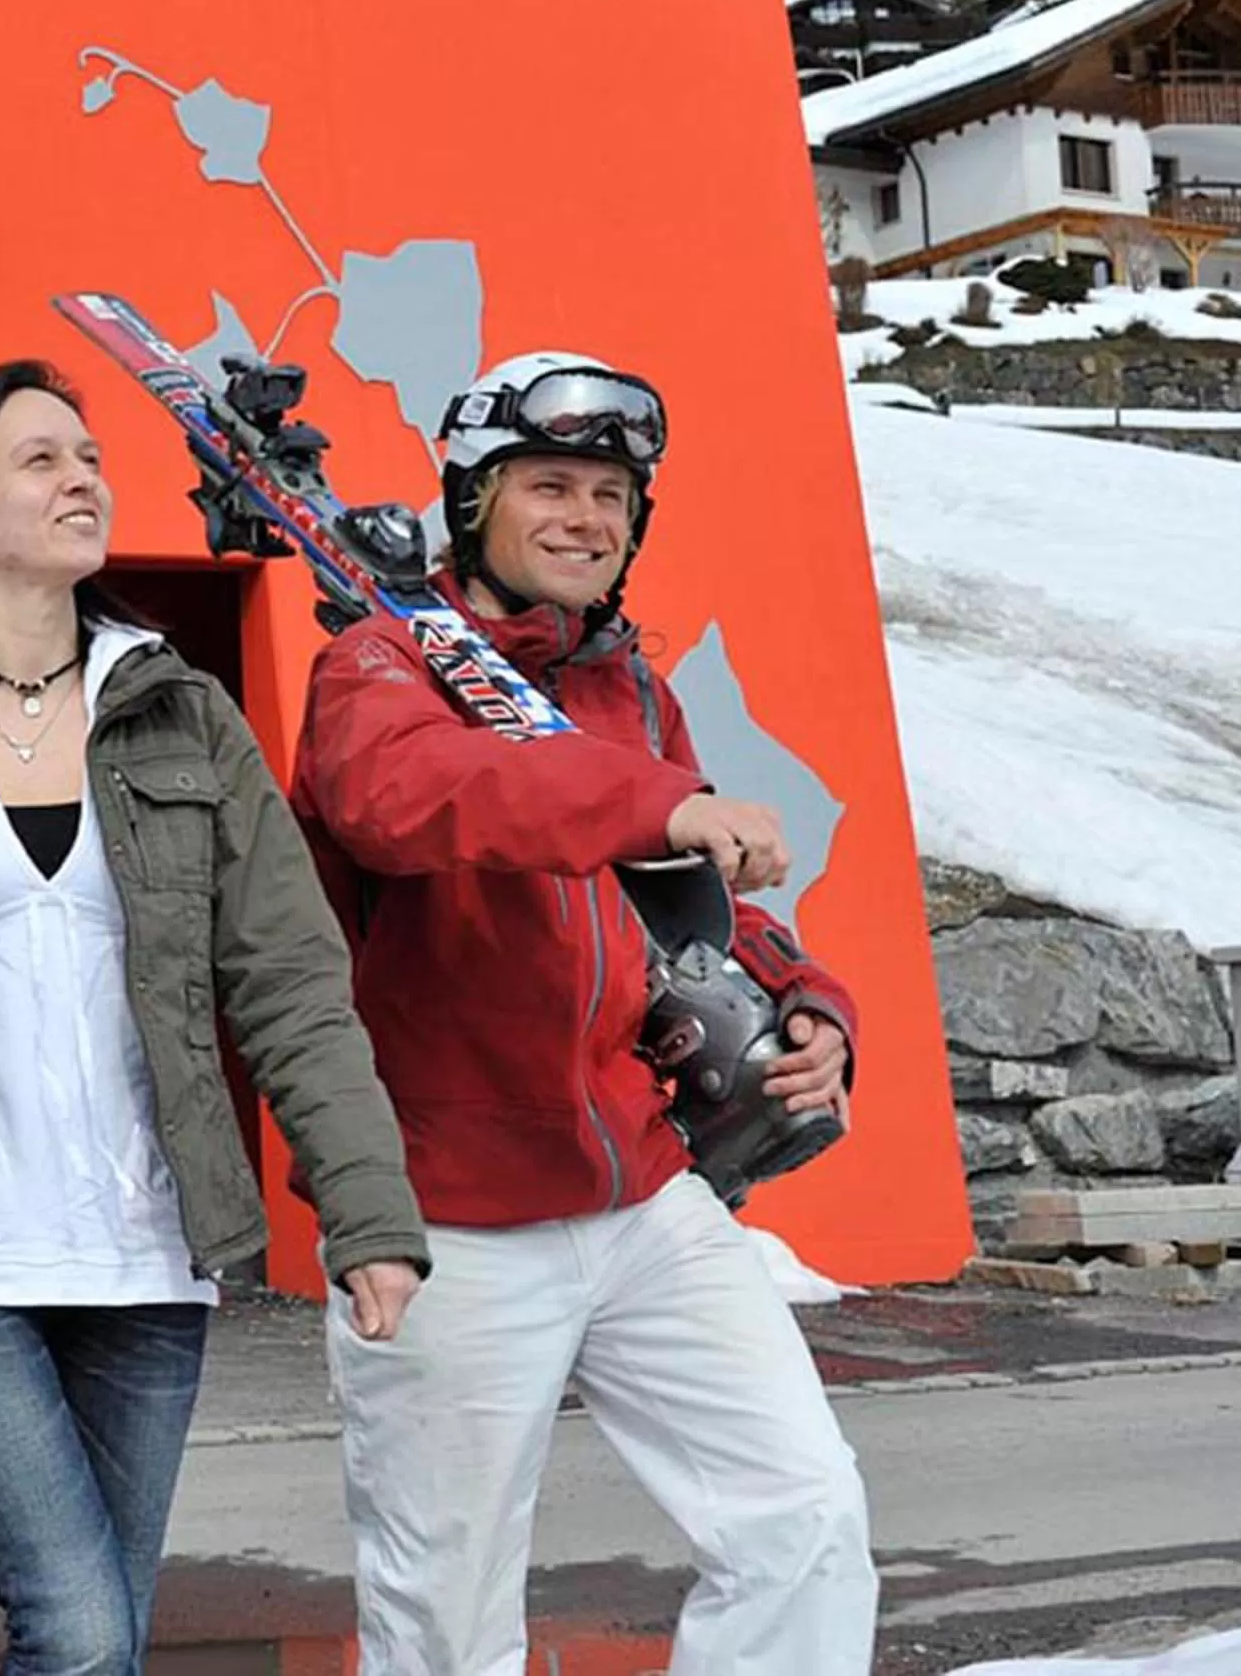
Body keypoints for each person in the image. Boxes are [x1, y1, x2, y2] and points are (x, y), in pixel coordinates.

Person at [0, 360, 431, 1676]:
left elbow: (291, 985)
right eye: (41, 458)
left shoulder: (180, 715)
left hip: (147, 1255)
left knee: (111, 1633)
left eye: (91, 456)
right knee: (83, 1631)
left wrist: (364, 1207)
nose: (83, 477)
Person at [290, 351, 877, 1676]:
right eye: (549, 483)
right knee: (446, 1615)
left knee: (806, 1516)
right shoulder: (381, 668)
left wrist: (809, 1004)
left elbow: (704, 903)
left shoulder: (630, 688)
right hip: (450, 1213)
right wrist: (651, 801)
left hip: (640, 1191)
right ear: (474, 499)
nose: (587, 516)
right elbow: (418, 798)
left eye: (612, 493)